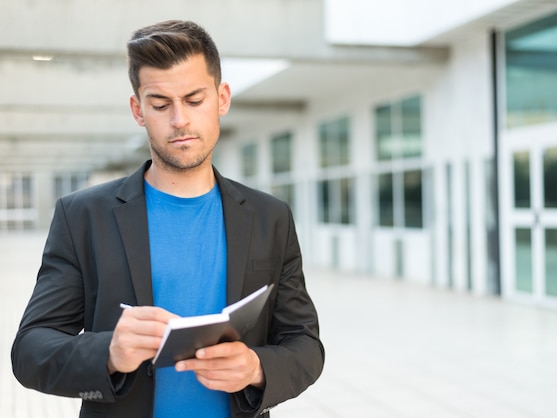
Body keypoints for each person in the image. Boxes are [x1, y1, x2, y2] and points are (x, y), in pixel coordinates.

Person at [11, 20, 324, 418]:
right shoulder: (83, 216)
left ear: (222, 98)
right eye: (160, 104)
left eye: (194, 100)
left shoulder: (270, 217)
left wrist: (258, 368)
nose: (179, 120)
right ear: (138, 110)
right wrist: (108, 352)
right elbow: (30, 351)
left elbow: (305, 345)